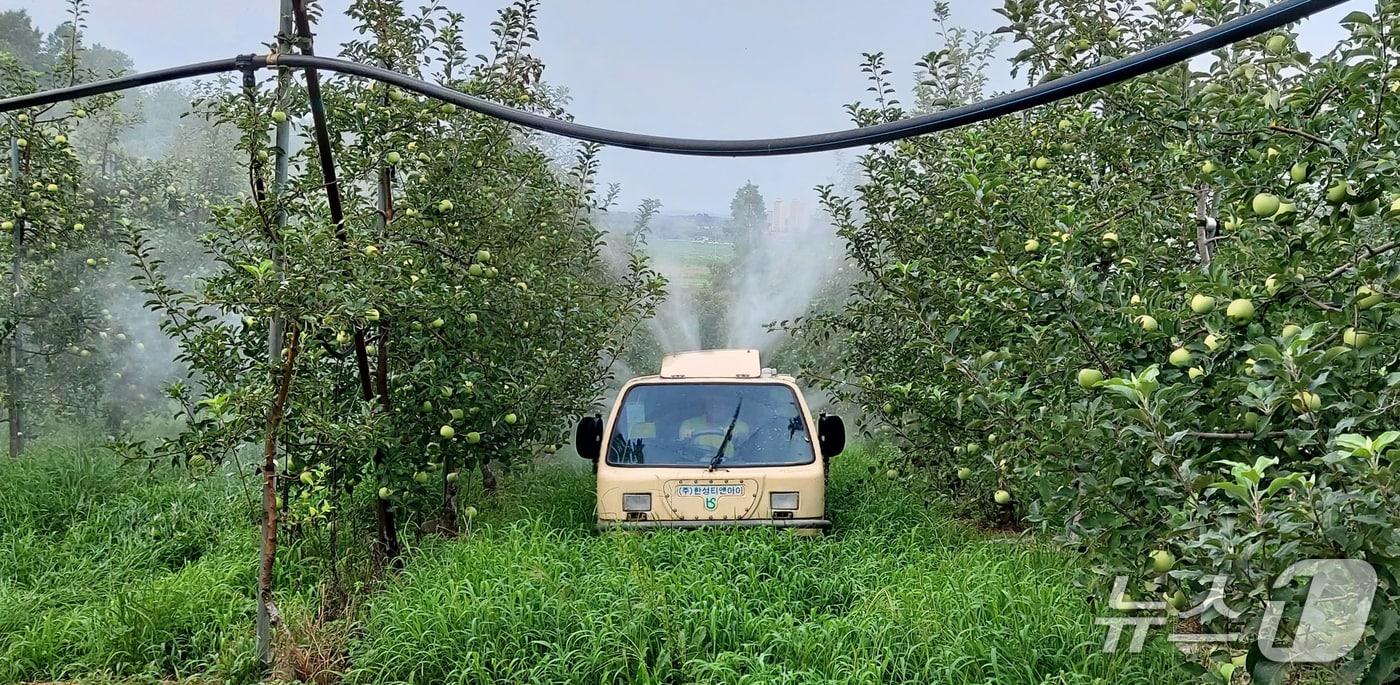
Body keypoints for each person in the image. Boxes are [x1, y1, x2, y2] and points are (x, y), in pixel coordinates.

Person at [678, 388, 749, 454]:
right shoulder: (689, 424)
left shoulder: (739, 425)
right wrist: (686, 438)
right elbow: (682, 446)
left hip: (732, 465)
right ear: (706, 406)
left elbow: (743, 441)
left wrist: (735, 435)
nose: (715, 407)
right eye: (711, 403)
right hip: (693, 465)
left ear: (728, 406)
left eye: (721, 403)